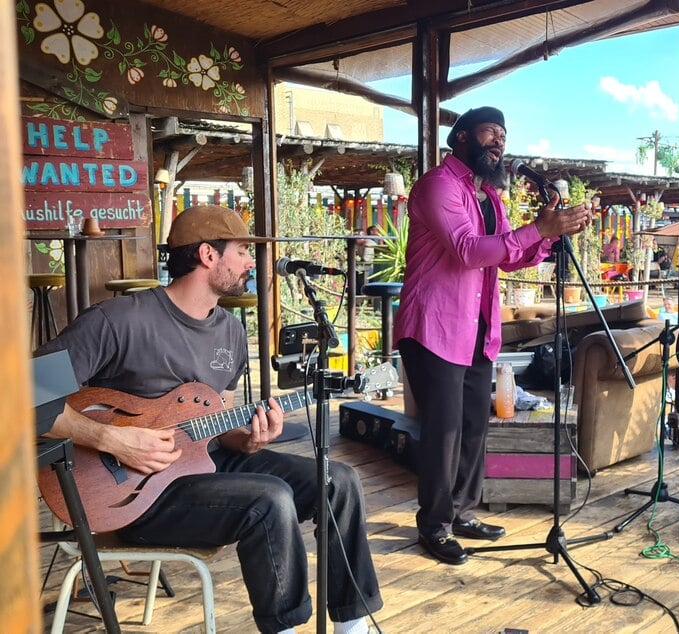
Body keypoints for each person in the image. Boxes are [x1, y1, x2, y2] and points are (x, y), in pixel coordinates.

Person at [38, 205, 382, 634]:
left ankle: (354, 625)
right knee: (269, 499)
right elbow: (21, 393)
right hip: (137, 495)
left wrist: (250, 438)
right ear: (207, 255)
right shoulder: (118, 321)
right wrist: (112, 439)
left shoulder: (230, 332)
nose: (250, 262)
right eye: (241, 250)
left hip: (207, 466)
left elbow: (222, 426)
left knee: (339, 480)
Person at [394, 106, 592, 565]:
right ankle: (435, 525)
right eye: (490, 133)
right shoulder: (437, 186)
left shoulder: (489, 198)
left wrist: (544, 237)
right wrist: (536, 229)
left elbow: (505, 257)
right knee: (443, 431)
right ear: (461, 138)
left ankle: (461, 511)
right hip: (433, 327)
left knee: (473, 428)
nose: (499, 142)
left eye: (503, 135)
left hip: (476, 328)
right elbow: (466, 251)